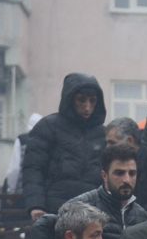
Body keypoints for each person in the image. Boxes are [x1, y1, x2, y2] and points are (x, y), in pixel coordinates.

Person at [22, 73, 106, 220]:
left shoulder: (102, 133)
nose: (87, 107)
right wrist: (36, 205)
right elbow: (33, 169)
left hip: (92, 211)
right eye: (81, 100)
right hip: (54, 209)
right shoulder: (48, 127)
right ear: (70, 99)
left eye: (92, 101)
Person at [63, 143, 147, 239]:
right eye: (119, 173)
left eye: (132, 173)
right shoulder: (80, 206)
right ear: (104, 175)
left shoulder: (142, 215)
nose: (127, 180)